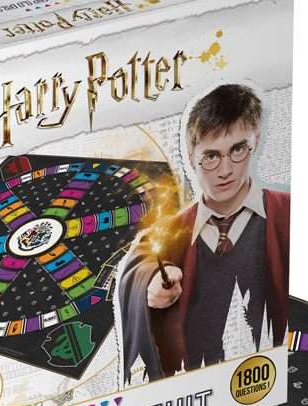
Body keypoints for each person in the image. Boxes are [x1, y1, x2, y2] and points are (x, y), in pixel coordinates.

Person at [117, 82, 290, 382]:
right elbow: (141, 264)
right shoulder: (169, 233)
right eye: (211, 156)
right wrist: (150, 284)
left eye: (237, 150)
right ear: (190, 156)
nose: (225, 170)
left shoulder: (289, 214)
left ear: (256, 141)